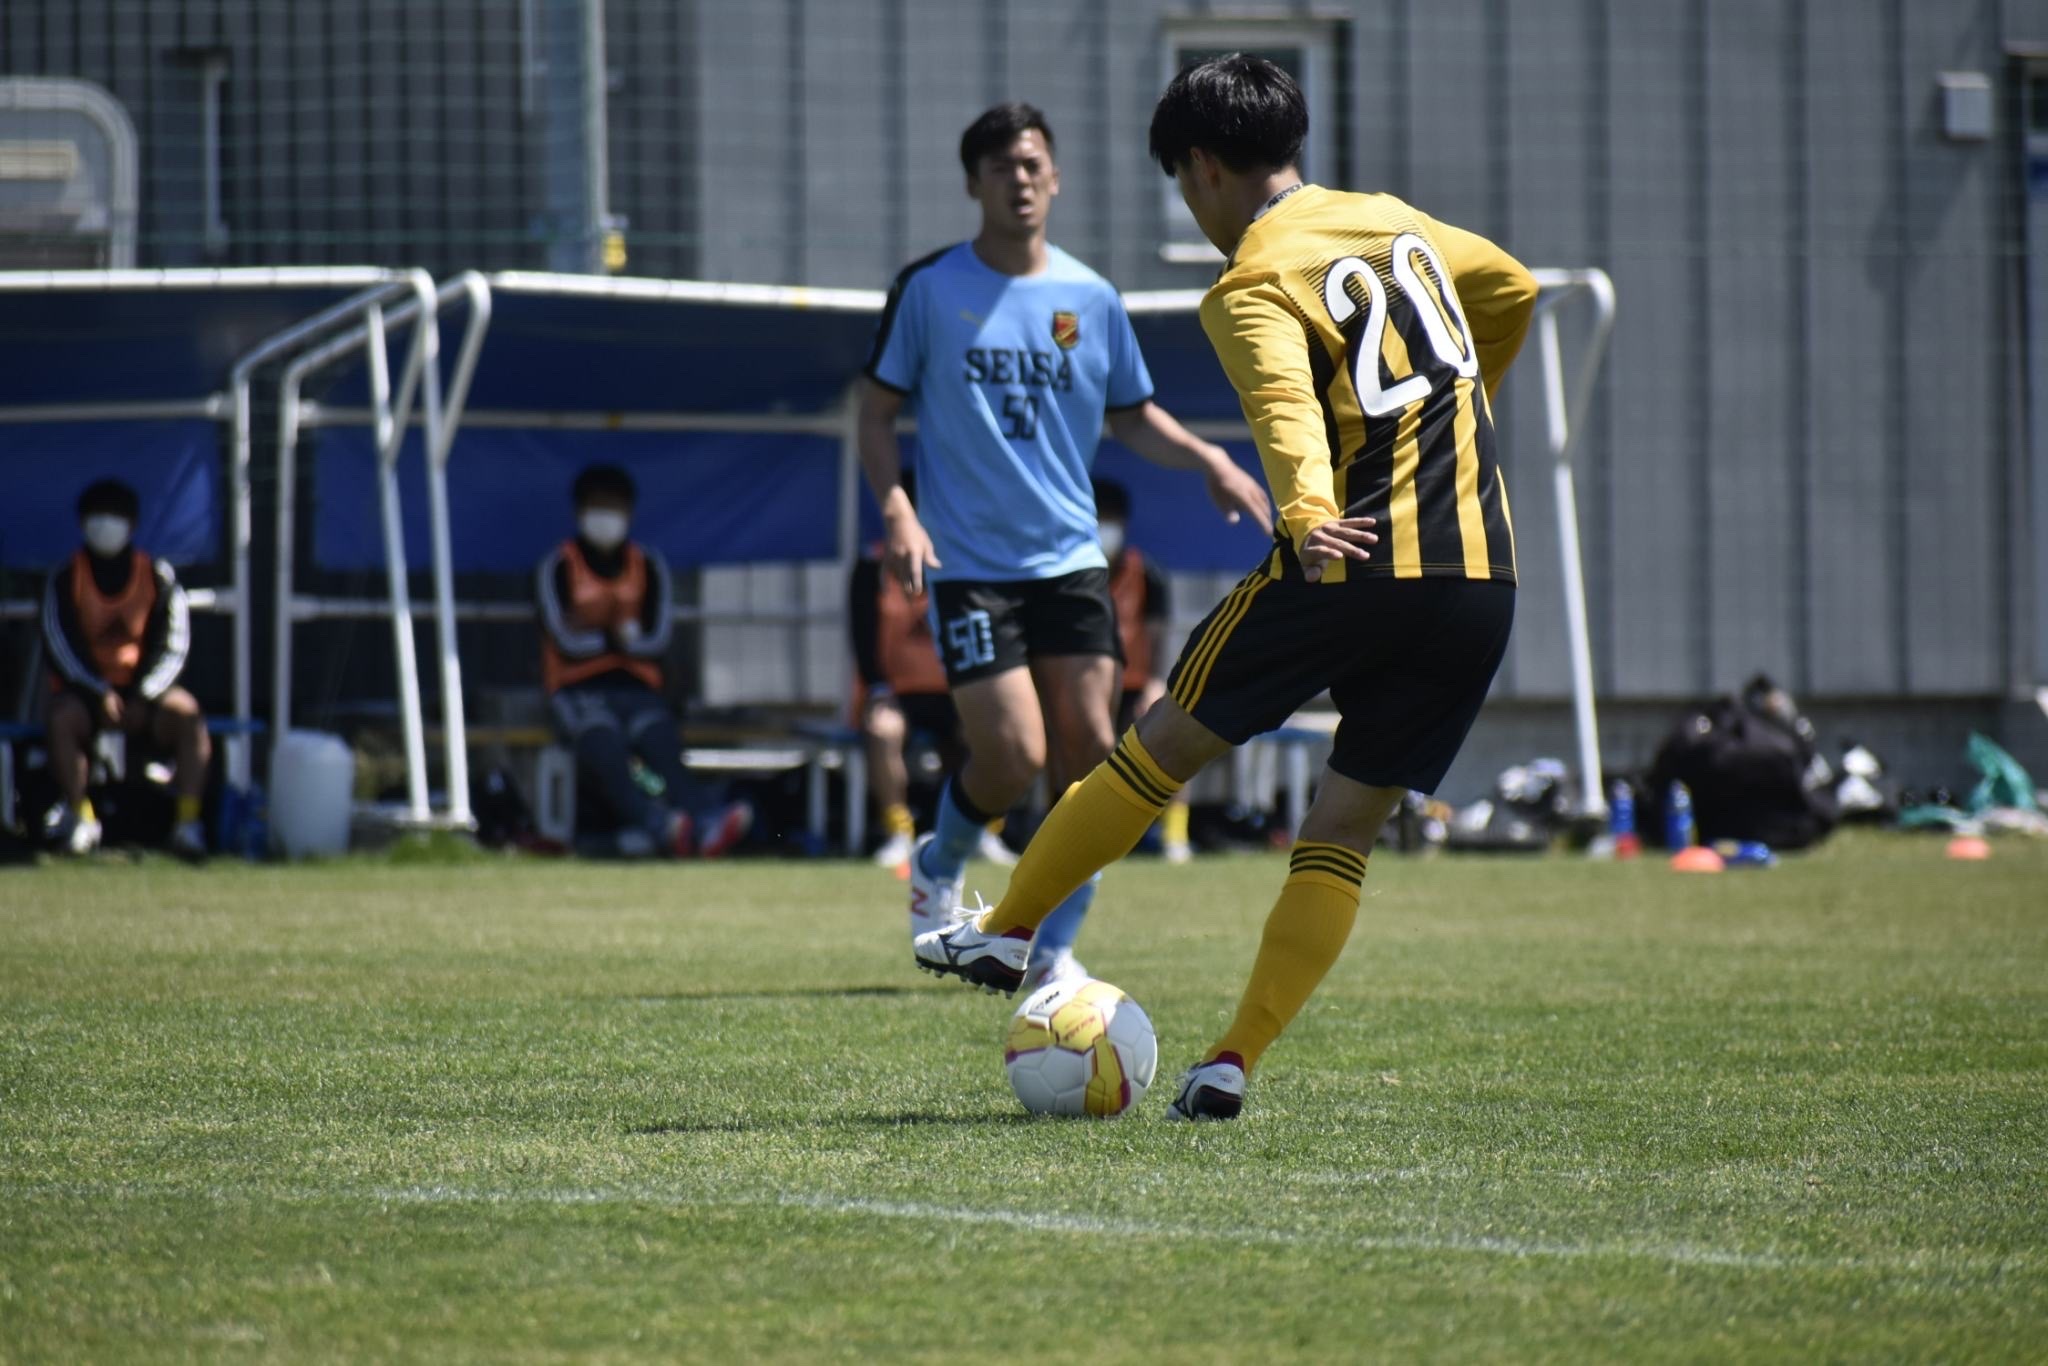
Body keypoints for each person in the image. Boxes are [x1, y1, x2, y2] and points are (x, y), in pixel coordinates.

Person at [915, 56, 1536, 1120]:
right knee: (1342, 831)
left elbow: (1283, 406)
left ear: (1200, 166)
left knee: (1158, 750)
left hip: (1346, 555)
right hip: (1479, 574)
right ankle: (1232, 1058)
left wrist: (1305, 510)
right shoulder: (1396, 222)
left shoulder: (1252, 277)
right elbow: (1511, 289)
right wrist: (1456, 402)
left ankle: (1008, 929)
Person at [861, 100, 1271, 990]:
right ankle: (939, 863)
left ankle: (1049, 949)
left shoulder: (1090, 299)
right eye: (1001, 167)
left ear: (1056, 178)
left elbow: (1131, 414)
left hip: (1073, 562)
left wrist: (1210, 459)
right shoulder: (928, 290)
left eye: (1032, 164)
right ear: (973, 183)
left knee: (1090, 760)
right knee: (1013, 758)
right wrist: (896, 507)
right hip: (971, 565)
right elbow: (875, 411)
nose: (1020, 179)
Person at [536, 464, 750, 859]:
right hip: (577, 689)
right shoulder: (560, 565)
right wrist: (616, 637)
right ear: (580, 510)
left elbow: (658, 640)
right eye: (598, 505)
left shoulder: (647, 565)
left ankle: (704, 821)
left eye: (614, 506)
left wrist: (600, 634)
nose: (606, 516)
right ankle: (660, 825)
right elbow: (563, 639)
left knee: (660, 741)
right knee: (604, 743)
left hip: (636, 688)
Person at [848, 473, 1014, 872]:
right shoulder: (871, 568)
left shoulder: (964, 562)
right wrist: (878, 688)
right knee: (883, 730)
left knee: (996, 734)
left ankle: (984, 832)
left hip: (957, 689)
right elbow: (862, 636)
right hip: (897, 694)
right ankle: (898, 833)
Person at [40, 479, 208, 860]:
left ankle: (188, 824)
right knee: (61, 718)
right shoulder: (66, 577)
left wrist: (144, 695)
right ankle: (82, 819)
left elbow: (174, 646)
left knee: (187, 714)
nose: (105, 525)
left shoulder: (157, 576)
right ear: (82, 523)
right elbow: (59, 644)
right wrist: (99, 692)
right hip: (87, 696)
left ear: (132, 525)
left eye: (114, 516)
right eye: (96, 516)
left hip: (145, 696)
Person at [1093, 476, 1191, 864]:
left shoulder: (1147, 574)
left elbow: (1159, 637)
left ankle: (1175, 836)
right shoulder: (1071, 575)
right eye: (1098, 518)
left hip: (1137, 686)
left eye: (1110, 519)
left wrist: (1155, 683)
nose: (1105, 528)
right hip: (1090, 688)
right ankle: (1088, 833)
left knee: (1178, 737)